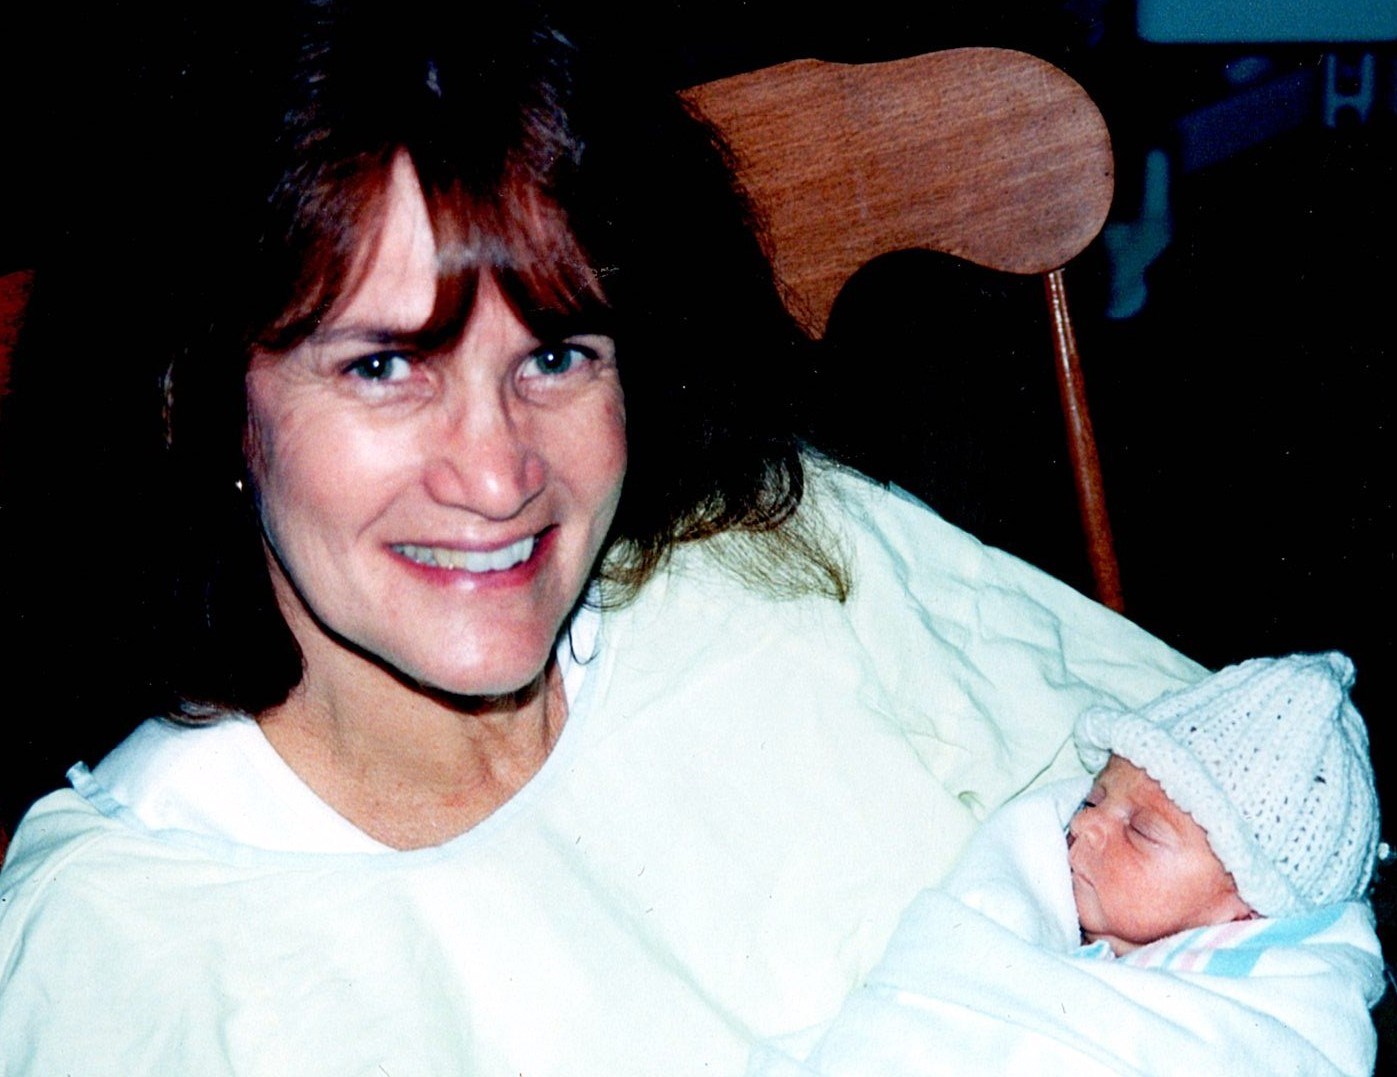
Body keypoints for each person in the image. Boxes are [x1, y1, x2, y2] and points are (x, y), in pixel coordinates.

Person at [0, 3, 1211, 1073]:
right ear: (202, 399)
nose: (496, 475)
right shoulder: (129, 950)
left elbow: (1272, 820)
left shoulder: (789, 567)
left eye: (557, 353)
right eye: (381, 366)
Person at [748, 651, 1387, 1076]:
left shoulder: (1267, 1022)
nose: (1085, 825)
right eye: (1093, 796)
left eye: (1141, 832)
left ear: (1247, 910)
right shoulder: (1044, 898)